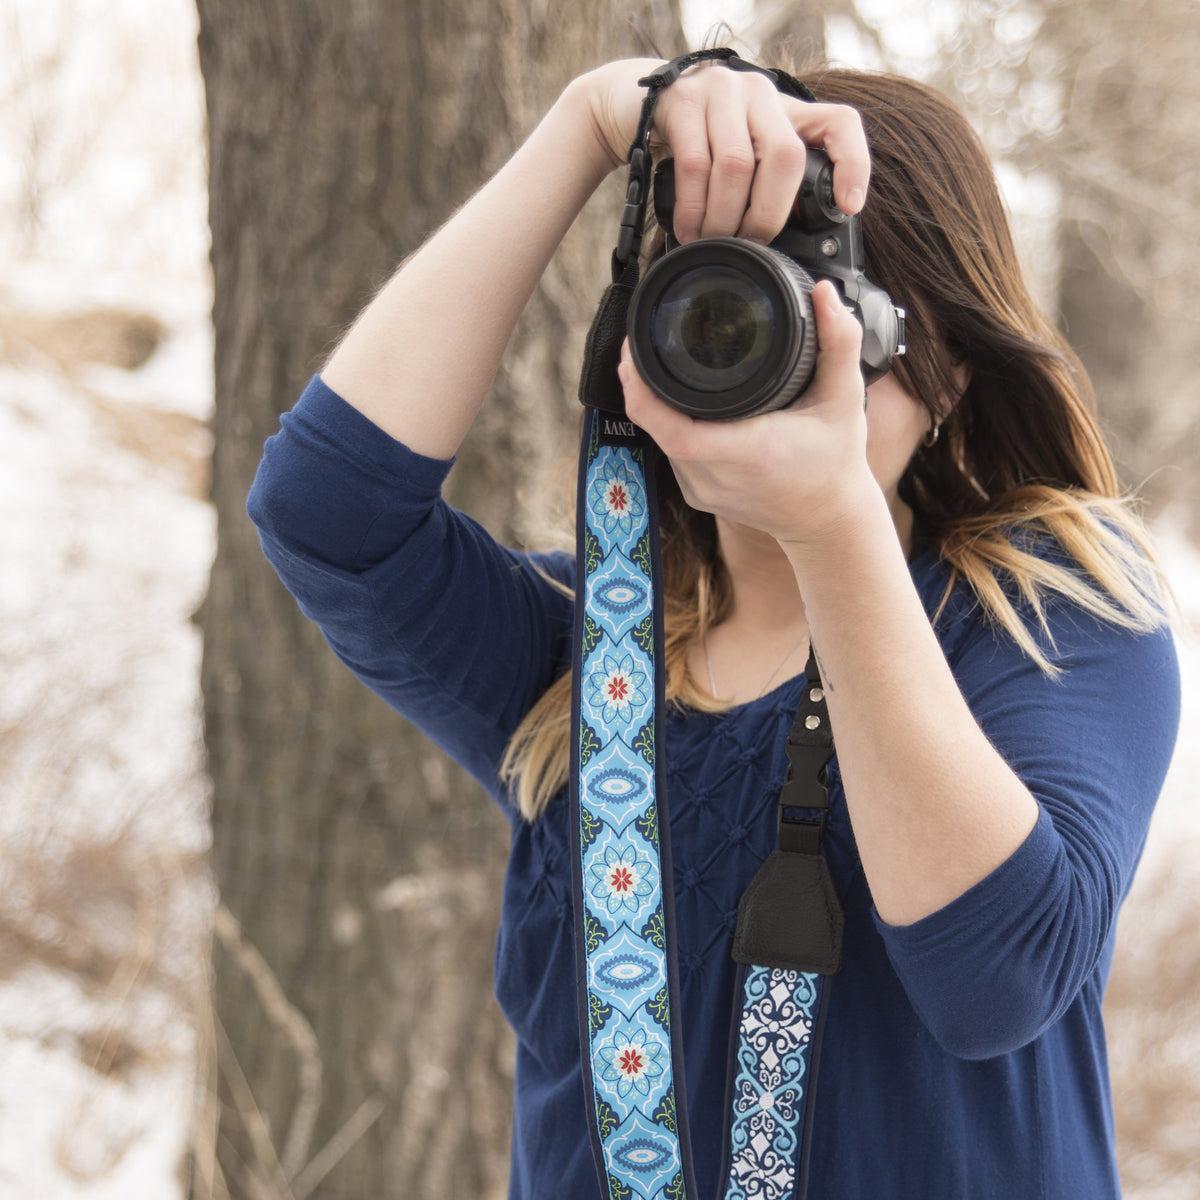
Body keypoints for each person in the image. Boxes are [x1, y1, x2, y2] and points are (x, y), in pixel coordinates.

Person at [247, 54, 1180, 1200]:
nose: (770, 351)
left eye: (826, 305)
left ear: (948, 364)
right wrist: (592, 125)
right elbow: (323, 511)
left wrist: (834, 525)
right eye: (720, 300)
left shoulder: (1047, 609)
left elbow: (995, 976)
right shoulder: (585, 666)